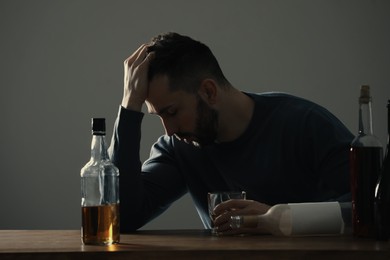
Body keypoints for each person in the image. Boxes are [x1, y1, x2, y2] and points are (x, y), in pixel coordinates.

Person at [108, 32, 354, 235]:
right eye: (159, 116)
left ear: (209, 92)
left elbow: (371, 210)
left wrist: (279, 218)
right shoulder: (179, 147)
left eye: (171, 112)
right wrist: (129, 108)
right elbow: (123, 217)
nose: (169, 130)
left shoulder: (306, 124)